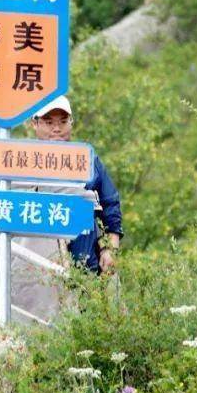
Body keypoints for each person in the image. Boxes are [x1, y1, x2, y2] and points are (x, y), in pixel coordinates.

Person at [30, 96, 122, 275]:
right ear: (35, 124)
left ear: (71, 123)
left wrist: (110, 249)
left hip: (85, 269)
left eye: (63, 122)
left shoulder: (86, 160)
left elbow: (110, 205)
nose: (56, 129)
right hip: (37, 268)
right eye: (49, 122)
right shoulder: (21, 162)